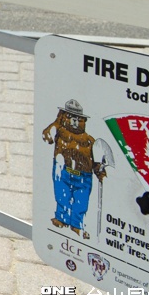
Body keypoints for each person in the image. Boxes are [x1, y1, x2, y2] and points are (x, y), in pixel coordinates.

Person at [42, 98, 108, 239]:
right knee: (62, 196)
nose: (75, 122)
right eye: (71, 118)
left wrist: (100, 172)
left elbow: (96, 158)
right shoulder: (60, 132)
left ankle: (77, 225)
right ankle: (61, 219)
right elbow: (47, 137)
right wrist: (57, 121)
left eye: (79, 119)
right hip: (62, 170)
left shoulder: (89, 140)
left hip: (83, 175)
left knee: (81, 201)